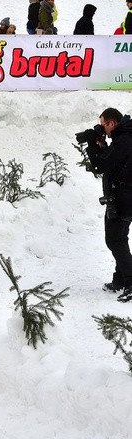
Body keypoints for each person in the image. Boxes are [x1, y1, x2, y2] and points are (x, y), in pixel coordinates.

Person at [82, 108, 132, 302]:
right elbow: (113, 163)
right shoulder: (124, 138)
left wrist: (92, 146)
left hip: (123, 198)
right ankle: (120, 279)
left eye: (103, 124)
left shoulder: (123, 141)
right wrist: (102, 145)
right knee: (121, 237)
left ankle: (130, 281)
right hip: (124, 196)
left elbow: (100, 166)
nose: (102, 128)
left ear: (112, 123)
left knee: (114, 240)